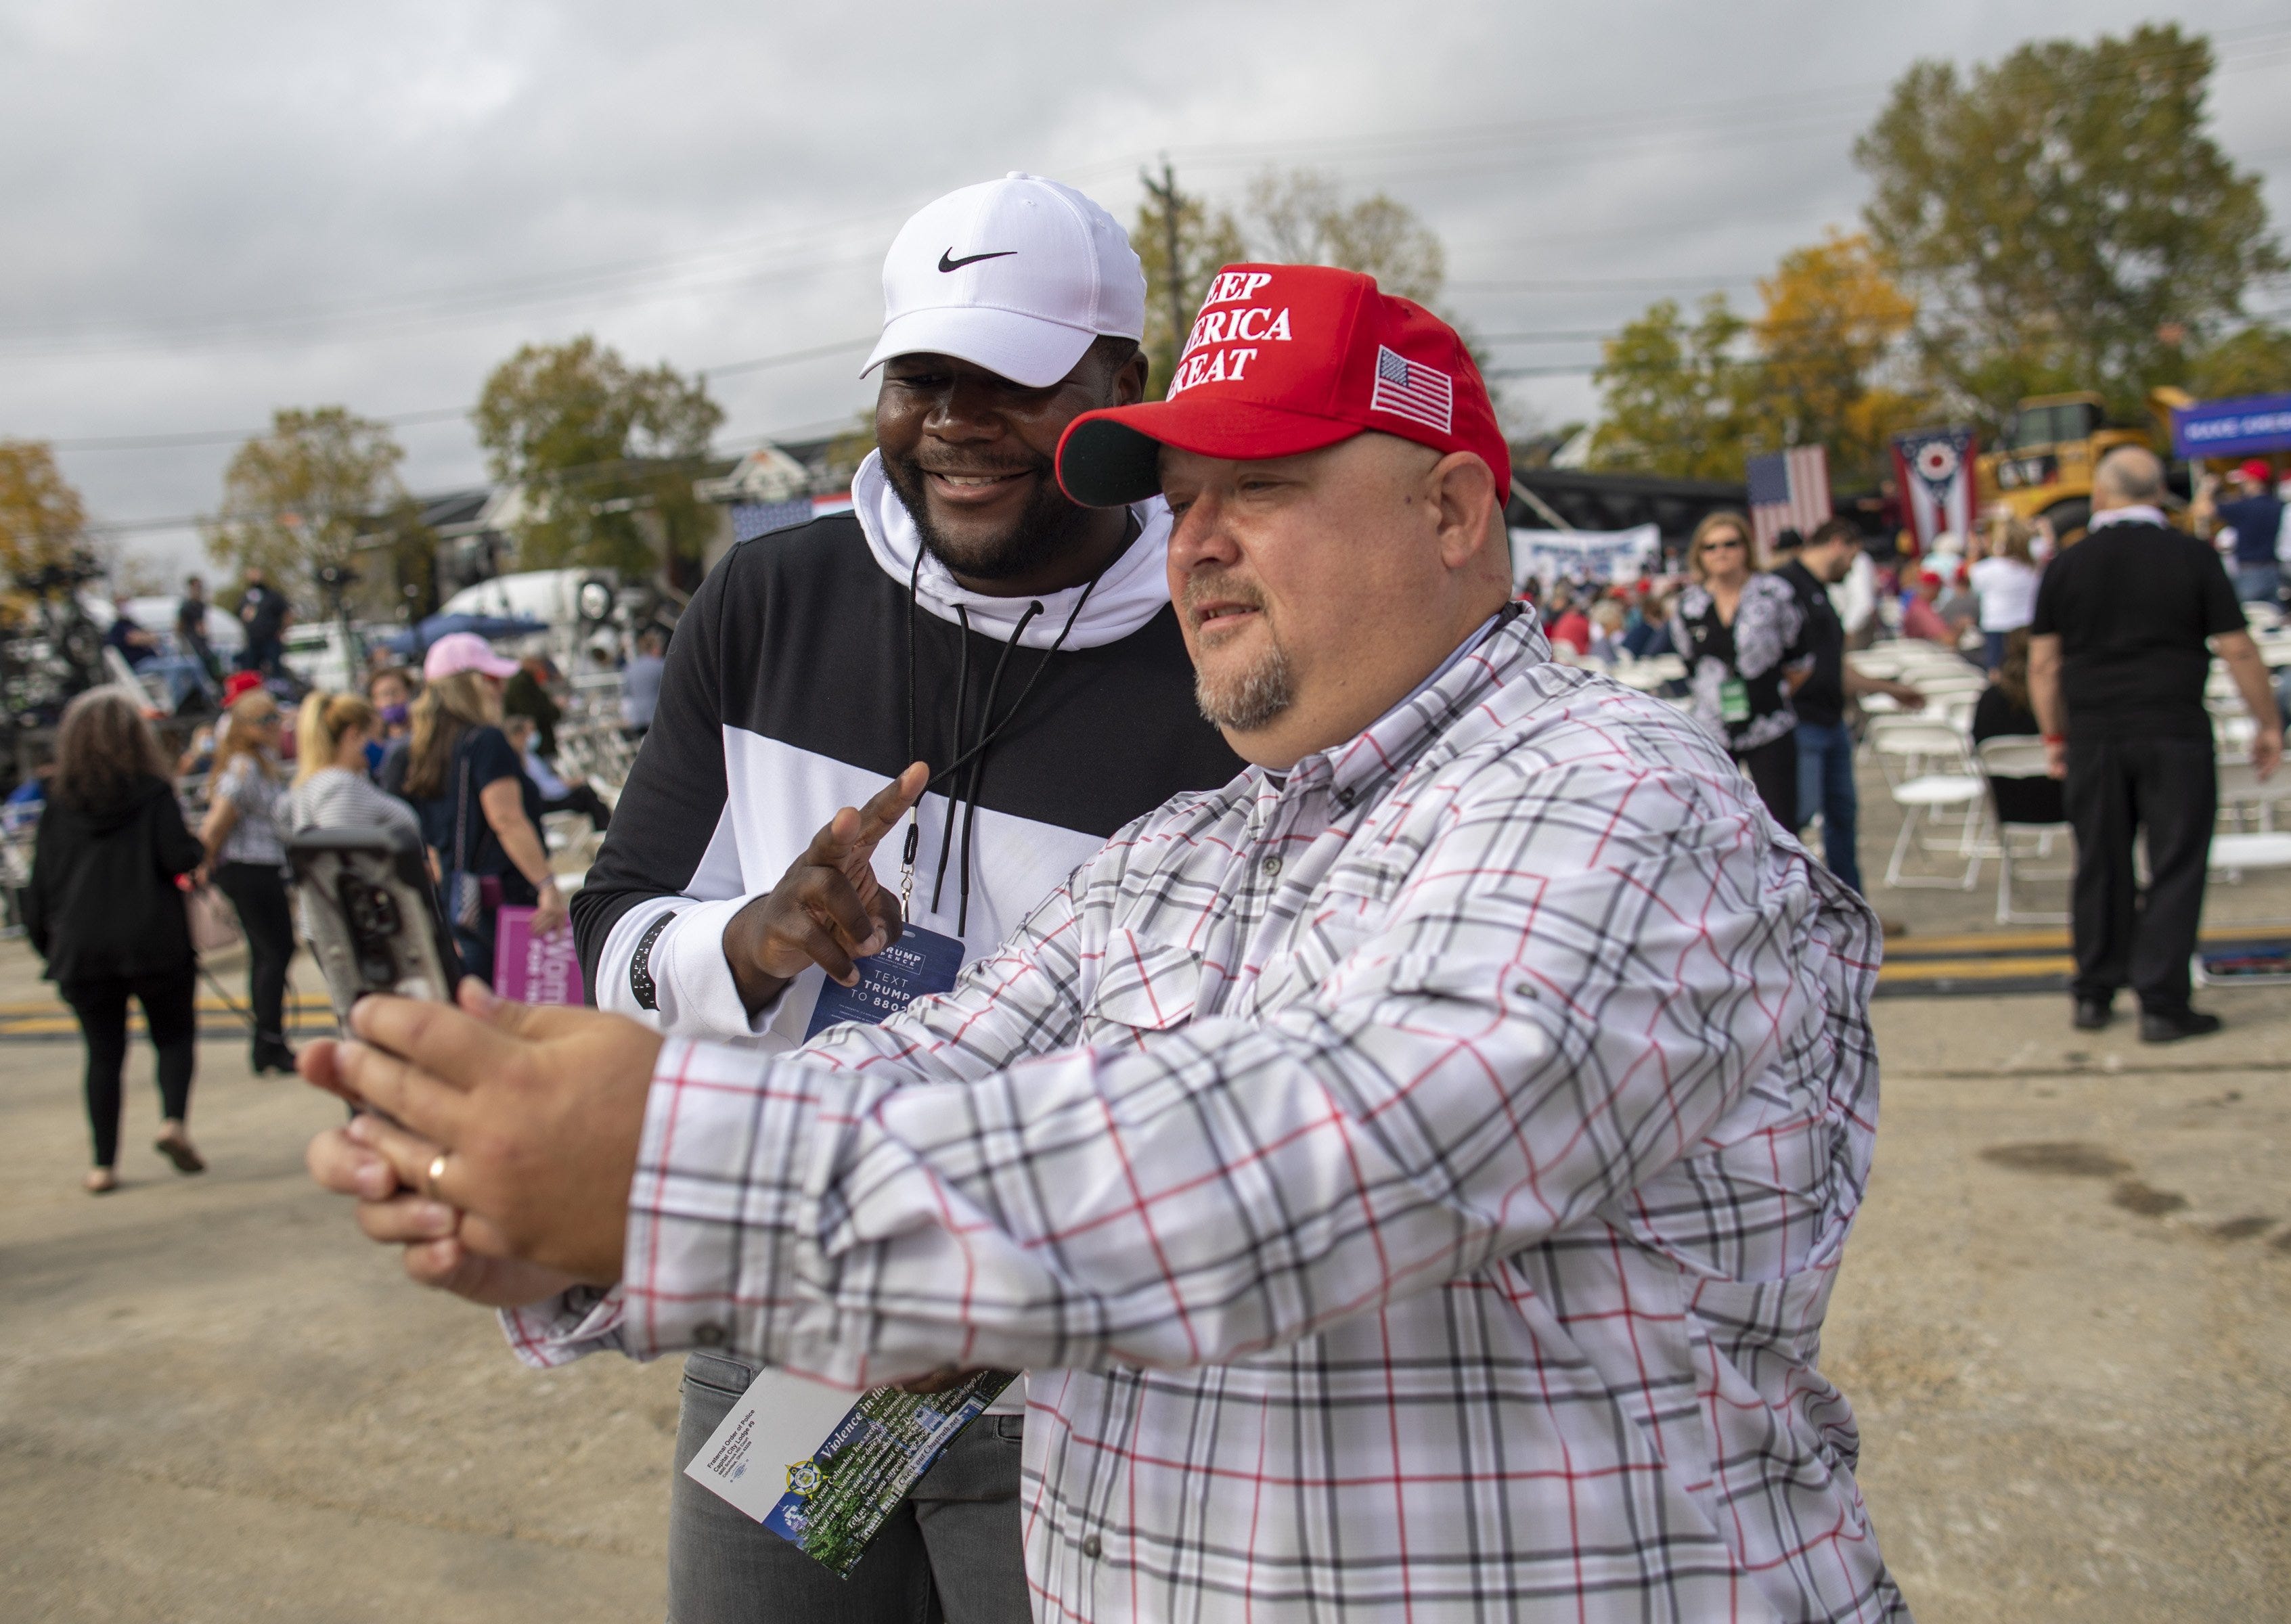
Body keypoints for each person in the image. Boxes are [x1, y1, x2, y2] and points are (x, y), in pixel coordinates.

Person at [305, 262, 1904, 1622]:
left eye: (1257, 486)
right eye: (1182, 499)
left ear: (1452, 507)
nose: (1192, 541)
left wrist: (661, 1165)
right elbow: (933, 1063)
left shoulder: (1619, 798)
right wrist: (563, 1210)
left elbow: (1325, 1144)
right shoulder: (1188, 846)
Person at [550, 173, 1235, 1624]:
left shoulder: (1216, 652)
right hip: (796, 1332)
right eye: (923, 374)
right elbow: (607, 935)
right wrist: (747, 939)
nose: (955, 419)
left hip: (1078, 1385)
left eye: (1011, 378)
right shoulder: (770, 596)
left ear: (1124, 384)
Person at [2030, 446, 2284, 1043]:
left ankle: (2094, 990)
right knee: (2175, 864)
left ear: (2098, 496)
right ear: (2158, 495)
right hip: (2172, 726)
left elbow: (2043, 664)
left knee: (2099, 862)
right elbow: (2237, 646)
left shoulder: (2066, 565)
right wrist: (2267, 723)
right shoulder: (2190, 555)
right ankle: (2162, 1000)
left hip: (2094, 729)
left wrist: (2054, 735)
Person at [28, 689, 206, 1192]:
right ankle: (173, 1122)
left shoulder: (57, 802)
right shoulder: (152, 792)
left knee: (103, 1054)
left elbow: (40, 885)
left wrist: (49, 946)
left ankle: (102, 1164)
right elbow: (179, 857)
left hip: (83, 948)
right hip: (154, 938)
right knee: (172, 1036)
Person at [388, 633, 567, 987]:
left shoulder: (417, 749)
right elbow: (506, 819)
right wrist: (547, 885)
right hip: (504, 893)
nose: (500, 688)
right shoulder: (486, 740)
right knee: (522, 1003)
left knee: (478, 997)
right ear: (468, 685)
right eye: (491, 679)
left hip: (456, 896)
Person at [1773, 519, 1926, 895]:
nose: (1853, 567)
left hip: (1830, 721)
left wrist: (1887, 689)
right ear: (1839, 544)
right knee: (1797, 820)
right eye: (1854, 557)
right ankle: (1791, 904)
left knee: (1841, 818)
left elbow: (1832, 666)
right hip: (1801, 722)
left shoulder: (1820, 592)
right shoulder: (1784, 586)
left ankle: (1851, 908)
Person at [1670, 510, 1804, 828]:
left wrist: (1769, 693)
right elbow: (1690, 661)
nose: (1721, 553)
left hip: (1768, 723)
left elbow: (1799, 656)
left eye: (1730, 544)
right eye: (1711, 547)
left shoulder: (1774, 593)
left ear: (1746, 547)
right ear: (1699, 555)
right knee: (1719, 822)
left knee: (1781, 821)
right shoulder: (1690, 604)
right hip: (1712, 728)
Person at [200, 686, 298, 1075]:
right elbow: (220, 818)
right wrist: (204, 858)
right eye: (266, 720)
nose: (276, 726)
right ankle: (269, 1041)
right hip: (249, 866)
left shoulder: (261, 762)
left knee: (271, 954)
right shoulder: (245, 766)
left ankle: (269, 1040)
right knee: (274, 952)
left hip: (263, 864)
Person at [284, 692, 421, 842]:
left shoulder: (331, 781)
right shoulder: (339, 787)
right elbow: (344, 854)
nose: (381, 744)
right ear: (354, 735)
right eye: (377, 736)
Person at [1970, 629, 2066, 828]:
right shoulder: (2062, 701)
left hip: (2007, 808)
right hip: (2064, 806)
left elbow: (1976, 747)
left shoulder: (1990, 700)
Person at [2194, 458, 2286, 606]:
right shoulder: (2277, 505)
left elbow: (2200, 510)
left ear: (2253, 481)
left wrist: (2206, 488)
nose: (2242, 485)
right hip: (2273, 570)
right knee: (2271, 619)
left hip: (2250, 571)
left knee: (2250, 617)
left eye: (2244, 481)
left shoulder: (2245, 507)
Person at [503, 713, 610, 834]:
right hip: (547, 804)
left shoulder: (529, 757)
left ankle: (605, 830)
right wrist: (568, 785)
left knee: (587, 793)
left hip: (550, 798)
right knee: (586, 794)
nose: (533, 735)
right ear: (519, 735)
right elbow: (545, 790)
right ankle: (605, 831)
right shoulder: (521, 762)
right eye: (530, 731)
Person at [1968, 512, 2041, 671]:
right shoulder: (2033, 567)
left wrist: (1976, 548)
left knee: (1998, 673)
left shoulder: (1986, 569)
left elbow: (1974, 585)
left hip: (1998, 627)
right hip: (2027, 624)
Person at [234, 565, 291, 676]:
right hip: (253, 641)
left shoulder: (272, 595)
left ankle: (279, 690)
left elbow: (287, 614)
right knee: (251, 671)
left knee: (276, 670)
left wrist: (282, 631)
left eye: (257, 574)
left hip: (271, 639)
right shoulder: (245, 597)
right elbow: (240, 615)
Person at [502, 655, 562, 760]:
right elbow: (532, 711)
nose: (539, 667)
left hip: (539, 739)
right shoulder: (521, 683)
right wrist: (555, 710)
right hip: (536, 742)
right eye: (537, 663)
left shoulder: (527, 680)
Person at [619, 629, 665, 736]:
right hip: (656, 718)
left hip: (637, 719)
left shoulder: (630, 668)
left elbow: (626, 693)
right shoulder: (661, 666)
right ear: (655, 648)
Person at [176, 575, 219, 683]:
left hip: (201, 642)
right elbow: (179, 627)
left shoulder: (200, 605)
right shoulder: (186, 606)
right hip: (191, 642)